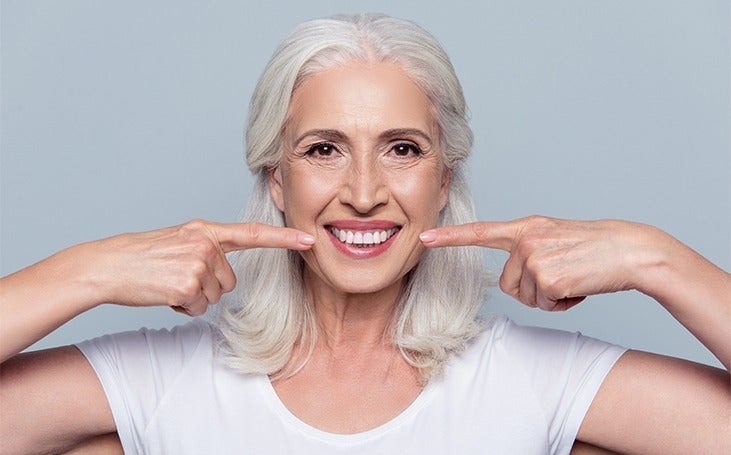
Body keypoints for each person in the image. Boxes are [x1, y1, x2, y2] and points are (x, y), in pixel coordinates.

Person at [0, 13, 728, 455]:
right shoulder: (160, 380)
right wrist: (86, 272)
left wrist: (653, 258)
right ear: (276, 180)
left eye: (402, 148)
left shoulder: (532, 376)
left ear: (442, 180)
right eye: (323, 149)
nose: (362, 191)